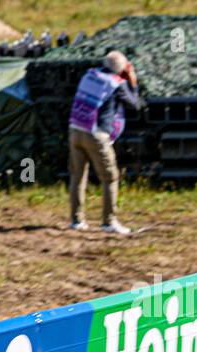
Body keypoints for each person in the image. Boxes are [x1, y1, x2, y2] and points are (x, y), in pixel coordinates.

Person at [67, 50, 142, 235]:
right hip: (96, 134)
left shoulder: (90, 75)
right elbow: (135, 104)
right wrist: (133, 81)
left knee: (78, 176)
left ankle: (77, 220)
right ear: (123, 68)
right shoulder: (116, 84)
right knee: (110, 177)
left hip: (75, 129)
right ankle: (109, 222)